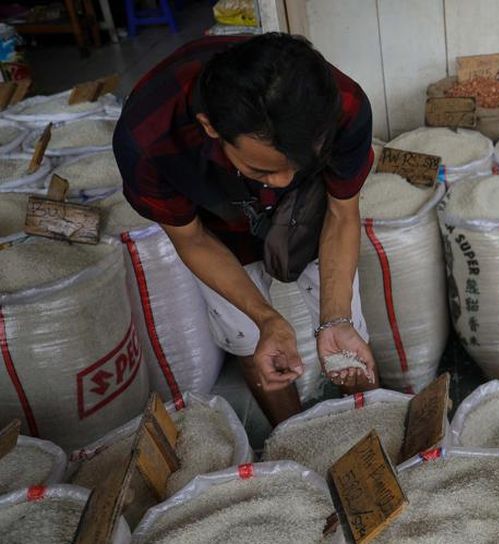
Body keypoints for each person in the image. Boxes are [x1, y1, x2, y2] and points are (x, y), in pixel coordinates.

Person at [114, 33, 377, 426]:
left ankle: (373, 426)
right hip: (216, 224)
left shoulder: (342, 104)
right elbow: (192, 238)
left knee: (346, 329)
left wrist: (336, 318)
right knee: (249, 337)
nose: (283, 180)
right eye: (262, 169)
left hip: (310, 206)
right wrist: (265, 318)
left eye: (296, 165)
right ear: (210, 127)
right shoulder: (148, 139)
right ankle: (291, 438)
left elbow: (341, 215)